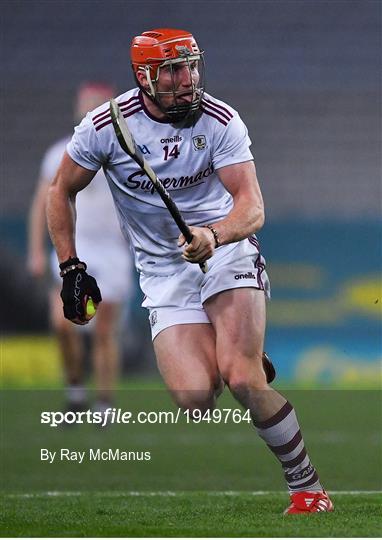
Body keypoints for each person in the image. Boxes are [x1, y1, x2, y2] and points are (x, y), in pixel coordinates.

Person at [46, 29, 333, 513]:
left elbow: (252, 207)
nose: (188, 79)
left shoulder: (221, 120)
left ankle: (308, 489)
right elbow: (60, 191)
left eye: (193, 66)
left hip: (226, 251)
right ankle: (237, 350)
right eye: (174, 70)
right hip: (162, 272)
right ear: (145, 76)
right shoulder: (106, 127)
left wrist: (214, 236)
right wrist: (70, 267)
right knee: (195, 399)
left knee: (242, 380)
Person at [28, 82, 133, 416]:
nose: (91, 109)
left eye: (98, 104)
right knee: (63, 324)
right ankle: (75, 389)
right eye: (86, 103)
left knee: (105, 331)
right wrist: (35, 250)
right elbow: (43, 201)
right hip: (76, 247)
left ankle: (104, 404)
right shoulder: (60, 151)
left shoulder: (124, 150)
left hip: (113, 250)